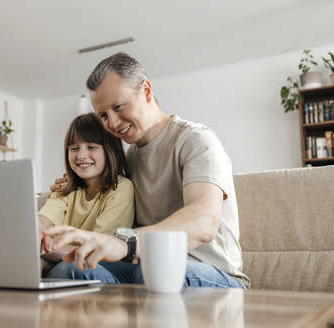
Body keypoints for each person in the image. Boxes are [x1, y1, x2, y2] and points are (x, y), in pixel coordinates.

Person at [43, 53, 250, 289]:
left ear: (147, 91)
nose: (111, 123)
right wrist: (70, 182)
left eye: (119, 107)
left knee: (156, 273)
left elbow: (203, 221)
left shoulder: (196, 140)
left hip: (216, 275)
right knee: (70, 270)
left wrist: (124, 243)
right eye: (103, 115)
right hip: (146, 267)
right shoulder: (128, 158)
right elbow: (97, 188)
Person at [37, 113, 134, 274]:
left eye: (91, 147)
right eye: (74, 148)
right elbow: (42, 221)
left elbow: (96, 249)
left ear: (110, 150)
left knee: (67, 268)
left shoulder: (121, 188)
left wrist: (44, 249)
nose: (81, 156)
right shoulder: (65, 188)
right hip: (61, 258)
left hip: (102, 265)